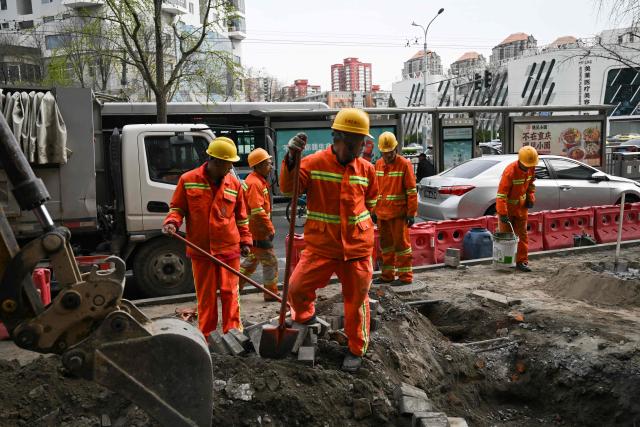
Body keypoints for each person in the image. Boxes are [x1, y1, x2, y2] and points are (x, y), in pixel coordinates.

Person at [281, 108, 378, 373]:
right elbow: (289, 189)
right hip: (322, 246)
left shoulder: (366, 169)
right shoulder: (312, 163)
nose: (363, 147)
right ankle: (303, 315)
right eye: (360, 142)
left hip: (357, 248)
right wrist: (291, 157)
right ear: (342, 138)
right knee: (296, 287)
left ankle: (357, 349)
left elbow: (371, 201)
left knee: (356, 303)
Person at [162, 136, 252, 337]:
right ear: (217, 161)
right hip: (201, 251)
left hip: (229, 249)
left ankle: (233, 334)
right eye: (229, 163)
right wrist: (172, 222)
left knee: (231, 294)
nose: (230, 168)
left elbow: (242, 217)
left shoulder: (234, 184)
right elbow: (177, 208)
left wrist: (246, 240)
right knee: (207, 297)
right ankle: (207, 336)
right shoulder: (188, 180)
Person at [372, 132, 418, 285]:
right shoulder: (378, 164)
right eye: (385, 153)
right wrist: (373, 211)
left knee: (402, 247)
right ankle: (387, 275)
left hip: (398, 214)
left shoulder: (404, 164)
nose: (388, 156)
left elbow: (411, 191)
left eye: (390, 152)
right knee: (385, 247)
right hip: (382, 214)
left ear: (395, 149)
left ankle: (405, 277)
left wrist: (411, 213)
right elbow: (375, 189)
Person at [238, 148, 279, 302]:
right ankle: (271, 293)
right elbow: (257, 210)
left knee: (252, 260)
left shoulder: (255, 180)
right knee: (270, 261)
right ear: (259, 165)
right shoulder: (255, 183)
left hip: (254, 229)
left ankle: (234, 286)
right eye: (268, 164)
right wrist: (270, 228)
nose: (270, 166)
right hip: (258, 229)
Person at [496, 146, 538, 272]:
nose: (528, 167)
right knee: (506, 237)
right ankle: (505, 262)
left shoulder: (531, 168)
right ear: (520, 161)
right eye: (526, 165)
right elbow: (501, 194)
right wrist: (502, 213)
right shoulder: (510, 171)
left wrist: (531, 198)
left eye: (529, 165)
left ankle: (521, 262)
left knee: (522, 236)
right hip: (508, 209)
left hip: (521, 208)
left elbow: (530, 185)